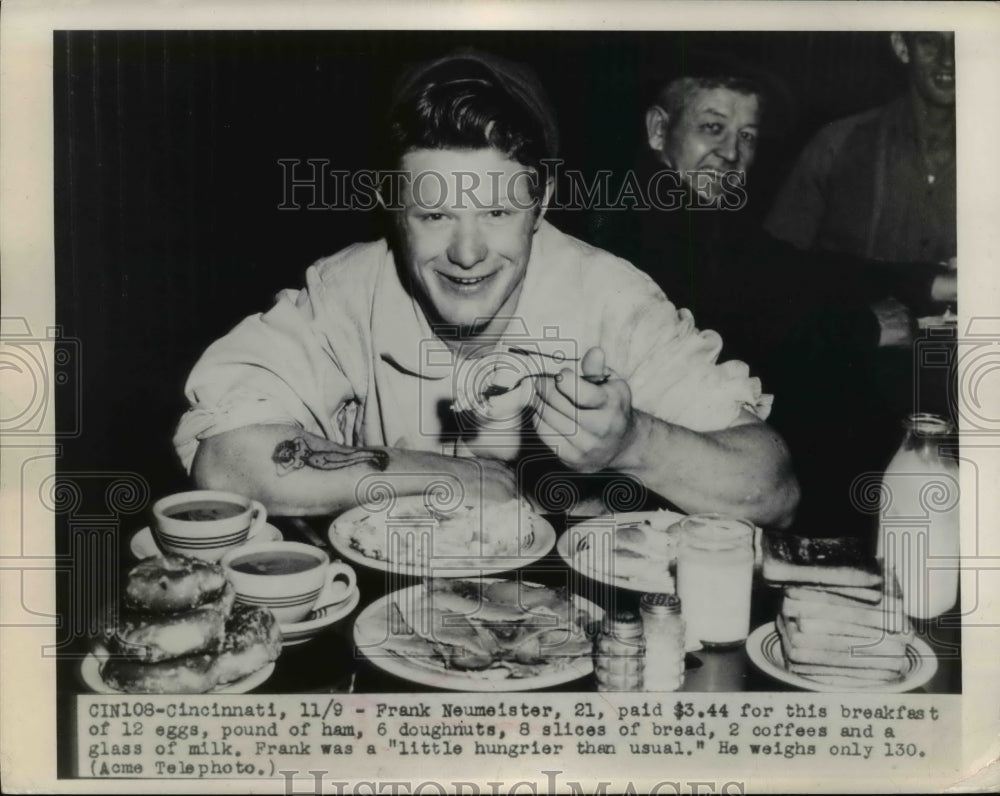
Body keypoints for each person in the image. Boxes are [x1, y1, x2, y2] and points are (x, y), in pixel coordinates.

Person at [173, 50, 799, 527]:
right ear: (394, 207)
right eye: (434, 214)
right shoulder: (349, 288)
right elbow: (226, 459)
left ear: (542, 204)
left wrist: (634, 440)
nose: (466, 254)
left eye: (498, 212)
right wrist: (458, 476)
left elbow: (773, 487)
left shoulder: (613, 297)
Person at [588, 51, 955, 536]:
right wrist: (866, 327)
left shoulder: (705, 214)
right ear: (659, 130)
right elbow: (740, 314)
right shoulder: (638, 214)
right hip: (654, 478)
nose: (732, 153)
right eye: (713, 128)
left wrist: (926, 281)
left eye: (747, 137)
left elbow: (799, 267)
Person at [764, 32, 957, 332]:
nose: (949, 58)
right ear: (902, 47)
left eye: (963, 41)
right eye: (931, 41)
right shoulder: (836, 145)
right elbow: (773, 272)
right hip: (856, 360)